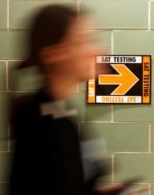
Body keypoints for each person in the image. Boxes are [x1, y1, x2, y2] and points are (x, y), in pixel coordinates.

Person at [9, 4, 106, 195]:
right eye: (82, 42)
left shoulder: (61, 113)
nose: (98, 50)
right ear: (53, 54)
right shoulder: (43, 124)